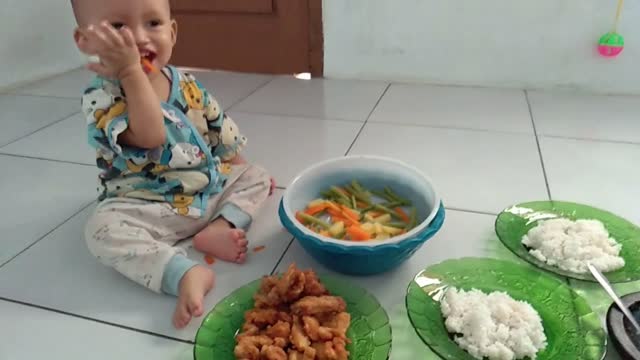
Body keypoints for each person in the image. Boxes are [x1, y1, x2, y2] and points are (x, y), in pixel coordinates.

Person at [71, 0, 274, 328]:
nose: (139, 37)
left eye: (153, 23)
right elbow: (150, 135)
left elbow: (219, 128)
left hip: (205, 193)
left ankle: (218, 230)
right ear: (86, 41)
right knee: (100, 231)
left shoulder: (186, 82)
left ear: (173, 31)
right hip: (147, 206)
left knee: (258, 174)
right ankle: (183, 273)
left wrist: (240, 171)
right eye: (118, 27)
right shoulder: (102, 97)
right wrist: (130, 72)